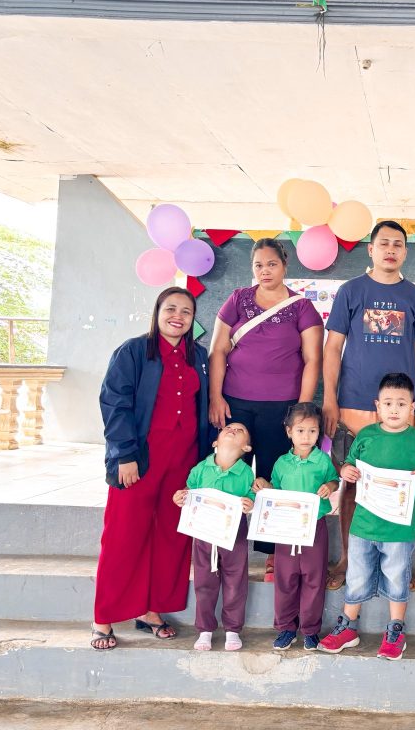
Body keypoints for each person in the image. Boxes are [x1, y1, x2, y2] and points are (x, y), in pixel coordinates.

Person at [91, 287, 211, 651]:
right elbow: (114, 403)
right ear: (157, 312)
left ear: (193, 319)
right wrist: (124, 454)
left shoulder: (198, 356)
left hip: (184, 460)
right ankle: (103, 617)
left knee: (171, 537)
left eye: (186, 311)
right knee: (123, 534)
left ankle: (151, 611)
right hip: (140, 458)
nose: (178, 316)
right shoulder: (133, 351)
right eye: (171, 308)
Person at [322, 221, 415, 592]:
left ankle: (400, 561)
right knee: (352, 485)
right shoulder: (351, 291)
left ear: (405, 252)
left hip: (402, 407)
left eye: (398, 244)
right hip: (354, 403)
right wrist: (330, 398)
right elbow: (332, 347)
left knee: (400, 485)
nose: (391, 249)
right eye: (383, 243)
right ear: (370, 249)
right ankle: (348, 559)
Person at [208, 238, 324, 582]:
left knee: (274, 479)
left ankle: (274, 553)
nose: (265, 271)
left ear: (285, 265)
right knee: (230, 474)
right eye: (258, 265)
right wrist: (216, 397)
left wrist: (301, 409)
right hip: (236, 404)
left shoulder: (302, 307)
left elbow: (312, 360)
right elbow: (218, 350)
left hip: (282, 408)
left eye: (271, 264)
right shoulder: (237, 299)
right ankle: (223, 546)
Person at [317, 373, 415, 660]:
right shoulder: (366, 436)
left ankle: (395, 630)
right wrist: (346, 471)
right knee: (356, 577)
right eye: (388, 403)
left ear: (413, 407)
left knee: (397, 578)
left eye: (401, 403)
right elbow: (349, 466)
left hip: (399, 529)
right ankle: (348, 628)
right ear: (378, 406)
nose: (394, 409)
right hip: (363, 525)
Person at [257, 402, 339, 652]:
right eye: (301, 431)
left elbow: (334, 480)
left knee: (314, 578)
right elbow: (275, 490)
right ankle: (286, 628)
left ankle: (310, 630)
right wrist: (264, 487)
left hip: (314, 527)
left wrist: (330, 487)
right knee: (285, 578)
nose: (306, 437)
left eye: (312, 431)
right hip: (286, 529)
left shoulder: (322, 461)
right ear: (289, 431)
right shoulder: (282, 463)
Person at [173, 422, 256, 652]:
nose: (233, 430)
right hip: (204, 534)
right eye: (228, 428)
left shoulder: (246, 473)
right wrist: (180, 497)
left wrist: (250, 503)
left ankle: (232, 629)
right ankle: (205, 629)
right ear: (215, 442)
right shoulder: (201, 468)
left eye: (241, 430)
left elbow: (250, 496)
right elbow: (189, 492)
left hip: (234, 535)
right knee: (204, 582)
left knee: (236, 581)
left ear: (246, 448)